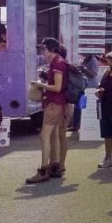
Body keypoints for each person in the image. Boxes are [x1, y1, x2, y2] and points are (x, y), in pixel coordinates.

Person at [27, 37, 69, 183]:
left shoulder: (57, 63)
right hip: (57, 103)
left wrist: (40, 85)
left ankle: (44, 170)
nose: (42, 51)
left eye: (43, 49)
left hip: (54, 103)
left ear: (51, 49)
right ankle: (54, 166)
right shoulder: (59, 61)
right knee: (54, 135)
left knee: (44, 136)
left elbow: (57, 88)